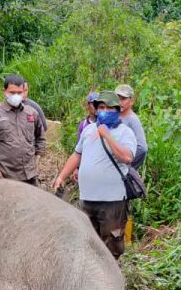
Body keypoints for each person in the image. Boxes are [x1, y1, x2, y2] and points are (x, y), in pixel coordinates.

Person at [52, 91, 137, 259]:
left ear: (118, 110)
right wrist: (61, 177)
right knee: (87, 242)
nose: (104, 111)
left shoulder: (125, 133)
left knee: (111, 245)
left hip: (112, 201)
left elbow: (127, 157)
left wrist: (107, 135)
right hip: (87, 198)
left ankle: (110, 281)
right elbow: (77, 155)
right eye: (101, 107)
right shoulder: (88, 130)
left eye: (109, 108)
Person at [0, 73, 46, 183]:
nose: (16, 96)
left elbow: (40, 137)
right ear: (4, 91)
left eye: (19, 92)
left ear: (24, 91)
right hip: (5, 176)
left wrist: (36, 161)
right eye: (12, 92)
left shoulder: (32, 113)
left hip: (30, 176)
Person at [115, 84, 147, 168]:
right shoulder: (113, 115)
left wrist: (125, 163)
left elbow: (142, 148)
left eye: (123, 99)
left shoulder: (132, 120)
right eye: (117, 98)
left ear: (132, 101)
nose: (119, 102)